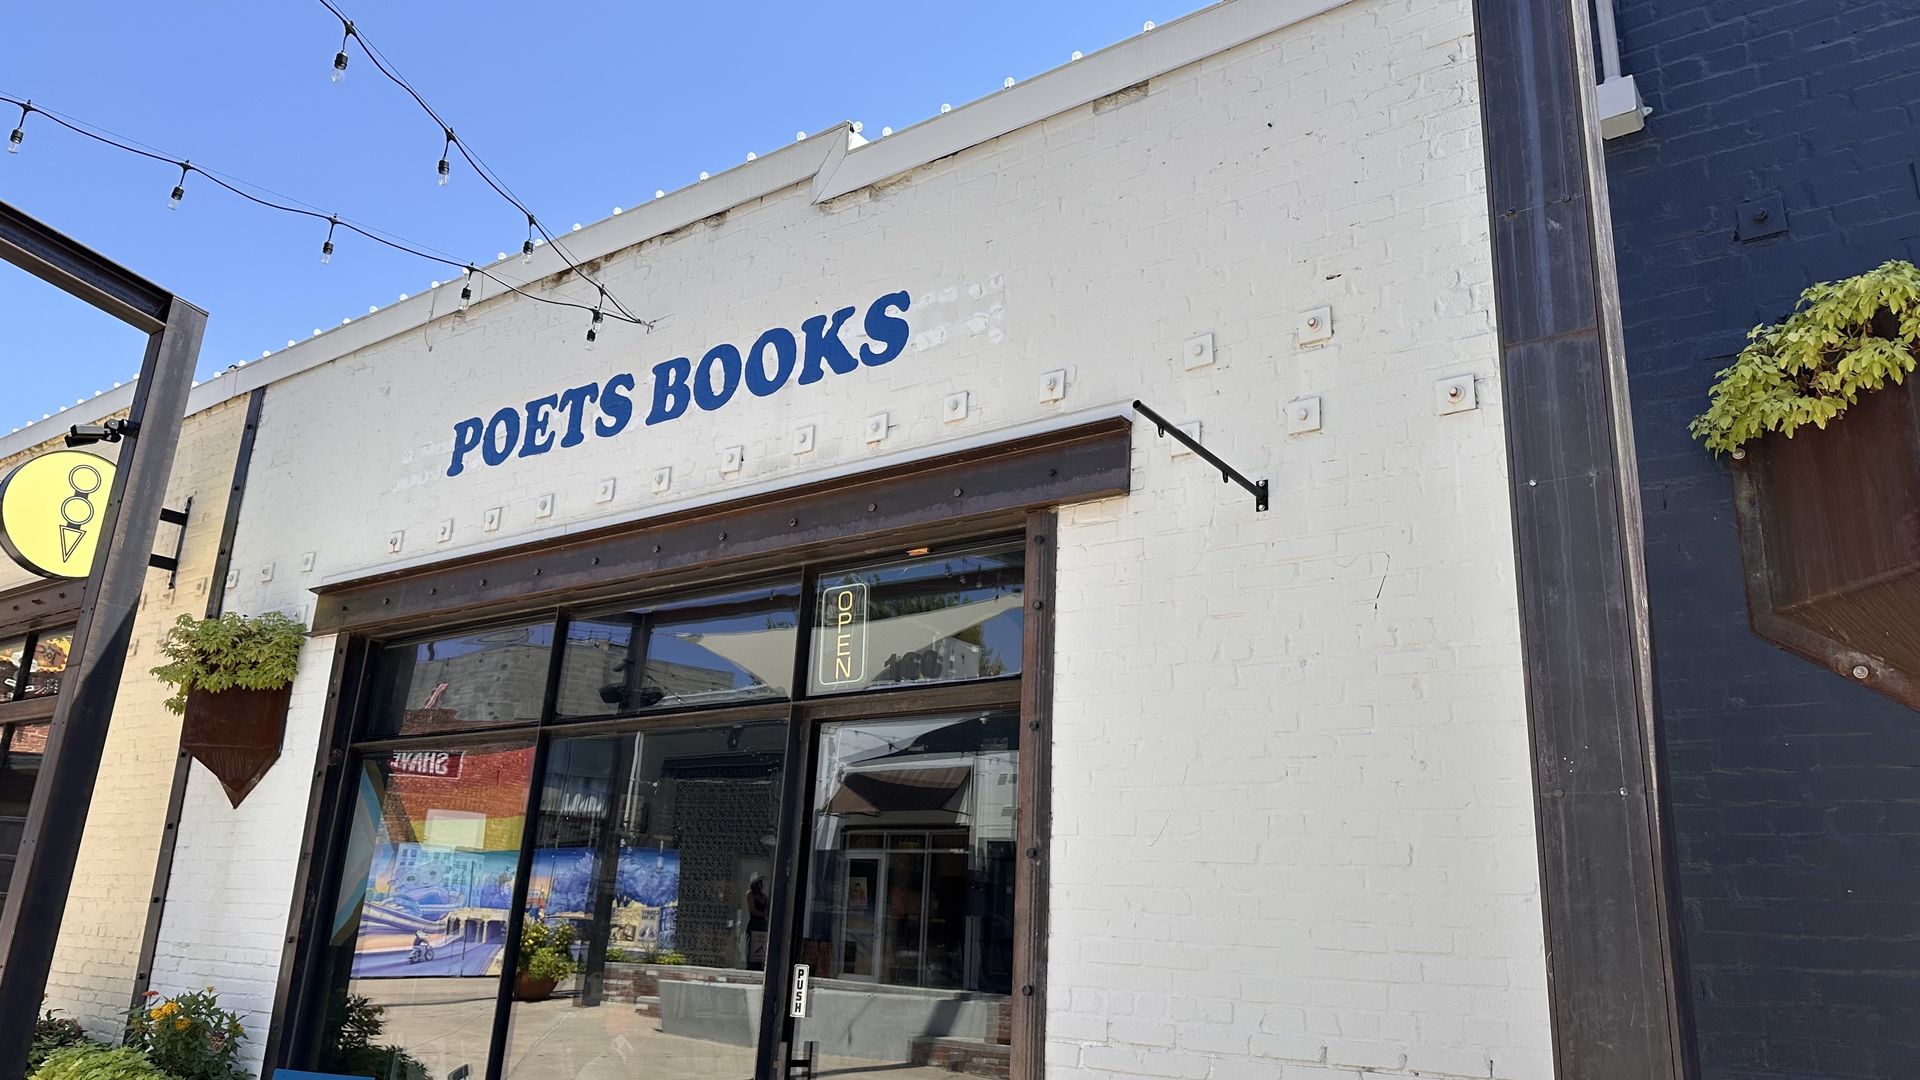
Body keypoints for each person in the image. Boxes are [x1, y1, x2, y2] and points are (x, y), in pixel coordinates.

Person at [745, 874, 769, 971]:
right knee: (752, 949)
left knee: (761, 949)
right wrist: (763, 914)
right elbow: (752, 910)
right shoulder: (750, 894)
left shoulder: (764, 897)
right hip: (754, 924)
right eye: (759, 882)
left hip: (762, 925)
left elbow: (768, 908)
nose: (761, 884)